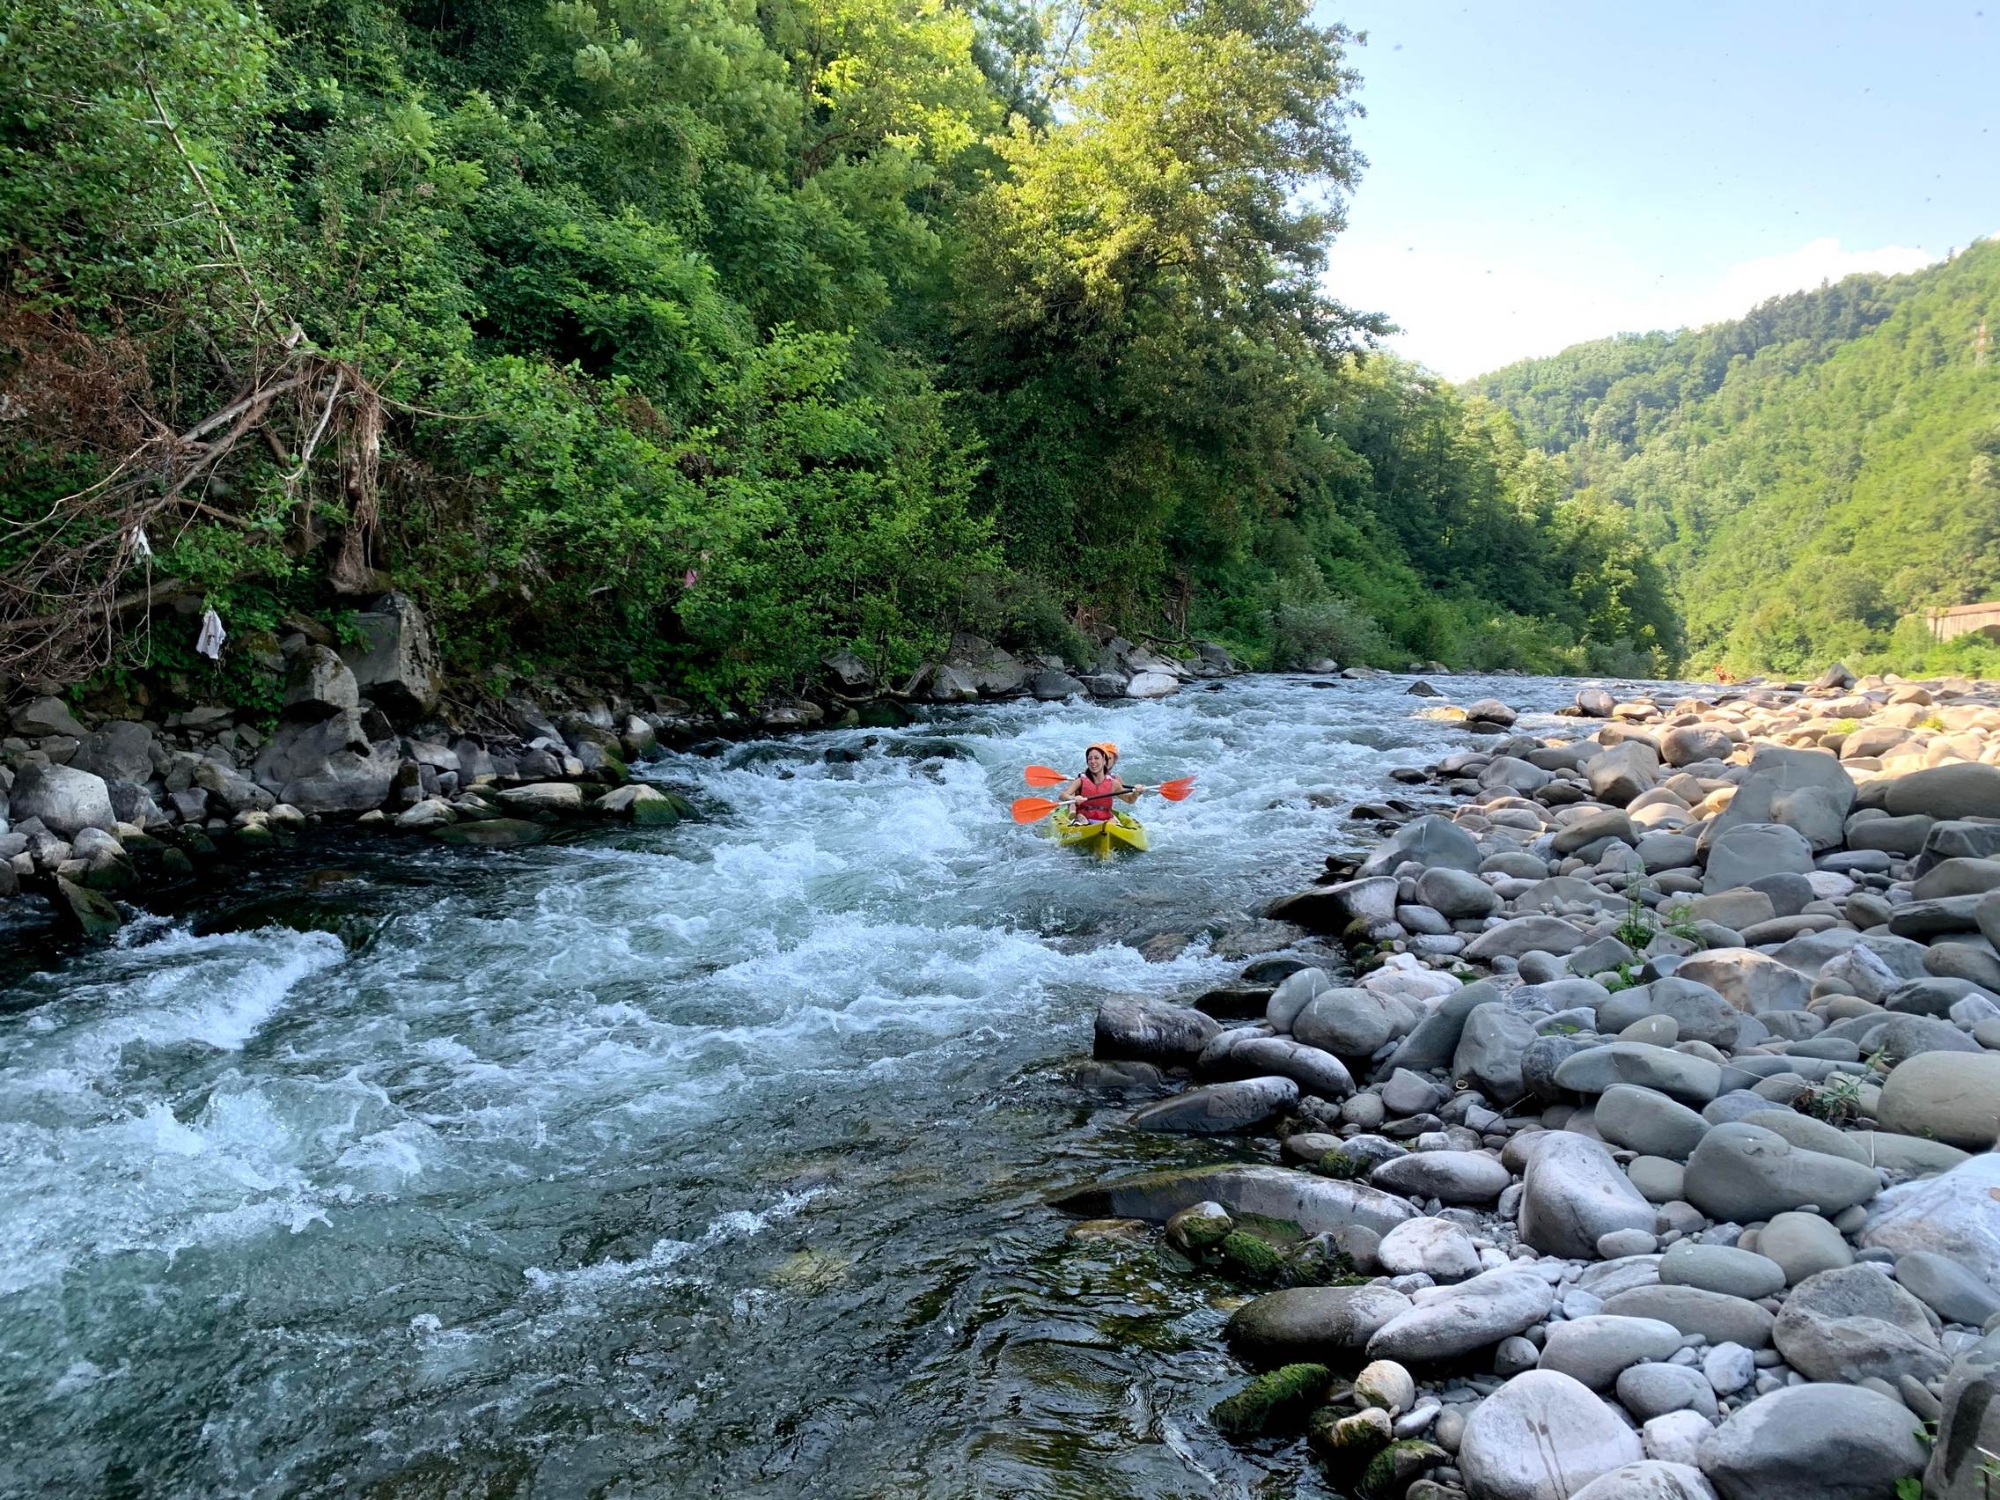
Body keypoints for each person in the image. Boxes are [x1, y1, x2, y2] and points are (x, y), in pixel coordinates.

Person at [1059, 743, 1141, 823]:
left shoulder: (1114, 783)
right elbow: (1062, 795)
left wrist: (1136, 793)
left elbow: (1130, 800)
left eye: (1096, 758)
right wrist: (1072, 798)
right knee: (1081, 818)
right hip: (1084, 818)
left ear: (1104, 761)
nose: (1093, 761)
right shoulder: (1080, 780)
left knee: (1112, 821)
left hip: (1105, 820)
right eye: (1090, 759)